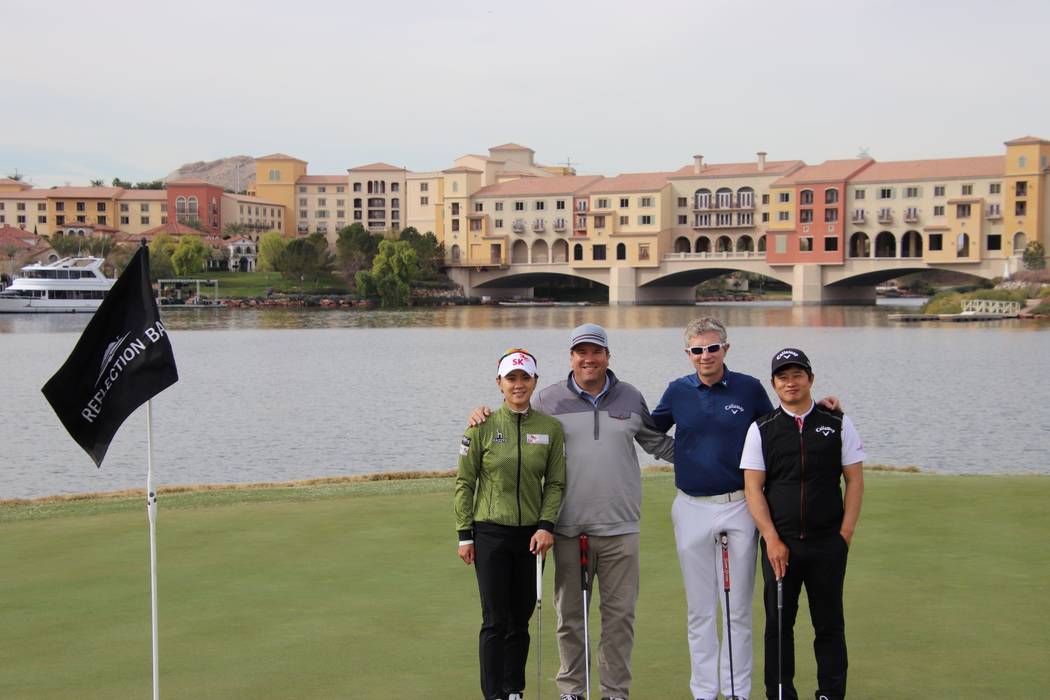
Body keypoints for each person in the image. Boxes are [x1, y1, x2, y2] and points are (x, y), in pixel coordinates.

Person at [470, 323, 674, 700]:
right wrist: (480, 414)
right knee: (569, 619)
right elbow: (513, 416)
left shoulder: (630, 397)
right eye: (581, 352)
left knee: (619, 619)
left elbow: (658, 444)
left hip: (620, 527)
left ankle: (614, 692)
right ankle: (572, 690)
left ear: (608, 356)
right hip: (565, 528)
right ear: (571, 357)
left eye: (596, 351)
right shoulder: (548, 399)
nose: (589, 359)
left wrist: (717, 463)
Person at [651, 316, 773, 700]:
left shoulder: (749, 389)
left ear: (725, 349)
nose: (706, 355)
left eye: (713, 347)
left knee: (737, 608)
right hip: (690, 507)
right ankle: (704, 692)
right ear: (688, 354)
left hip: (739, 506)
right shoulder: (677, 391)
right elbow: (649, 431)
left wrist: (823, 408)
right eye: (698, 350)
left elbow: (775, 431)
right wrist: (681, 457)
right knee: (700, 610)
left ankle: (737, 691)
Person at [740, 348, 865, 700]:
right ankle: (781, 694)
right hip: (781, 545)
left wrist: (845, 535)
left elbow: (854, 480)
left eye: (797, 375)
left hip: (828, 543)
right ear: (774, 384)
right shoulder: (762, 429)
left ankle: (830, 693)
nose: (790, 382)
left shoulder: (837, 423)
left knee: (829, 624)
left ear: (810, 378)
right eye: (783, 377)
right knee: (779, 626)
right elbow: (753, 487)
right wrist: (771, 538)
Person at [455, 348, 567, 700]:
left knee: (521, 619)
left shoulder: (550, 428)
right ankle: (493, 695)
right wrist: (464, 535)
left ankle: (513, 689)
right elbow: (464, 483)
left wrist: (547, 525)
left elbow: (556, 483)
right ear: (499, 383)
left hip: (533, 535)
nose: (518, 385)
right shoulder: (481, 426)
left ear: (535, 381)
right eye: (511, 378)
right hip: (490, 532)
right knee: (495, 620)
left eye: (525, 377)